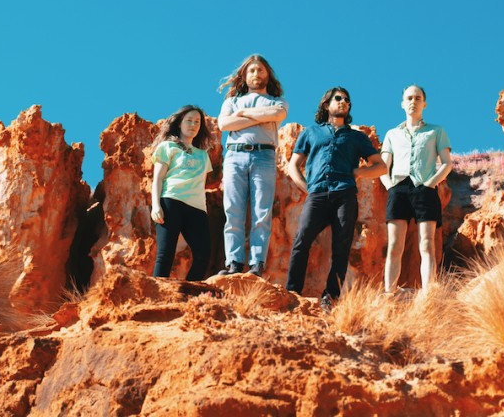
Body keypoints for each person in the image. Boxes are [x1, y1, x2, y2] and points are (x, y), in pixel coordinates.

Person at [286, 87, 386, 309]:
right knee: (301, 240)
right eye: (338, 98)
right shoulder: (311, 133)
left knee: (341, 247)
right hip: (317, 194)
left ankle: (330, 297)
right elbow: (293, 165)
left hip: (345, 195)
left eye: (347, 100)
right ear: (326, 104)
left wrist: (359, 172)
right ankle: (292, 292)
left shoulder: (357, 137)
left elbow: (381, 167)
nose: (343, 102)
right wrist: (307, 188)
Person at [216, 54, 288, 277]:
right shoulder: (231, 102)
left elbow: (277, 113)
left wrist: (243, 115)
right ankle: (234, 263)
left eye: (260, 70)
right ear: (245, 76)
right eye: (252, 70)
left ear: (268, 74)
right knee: (233, 211)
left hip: (264, 156)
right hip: (234, 156)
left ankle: (257, 264)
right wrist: (261, 117)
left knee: (261, 213)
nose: (256, 74)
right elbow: (224, 124)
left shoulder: (277, 101)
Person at [379, 85, 452, 293]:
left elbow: (447, 163)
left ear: (424, 104)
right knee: (395, 245)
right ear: (402, 104)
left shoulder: (436, 131)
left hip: (425, 190)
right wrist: (391, 187)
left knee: (427, 244)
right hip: (398, 190)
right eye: (409, 98)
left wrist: (430, 184)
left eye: (418, 98)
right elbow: (383, 167)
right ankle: (390, 292)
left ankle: (429, 292)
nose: (413, 101)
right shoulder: (392, 134)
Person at [149, 105, 213, 281]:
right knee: (165, 253)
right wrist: (156, 206)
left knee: (203, 254)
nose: (193, 125)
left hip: (197, 209)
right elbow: (158, 179)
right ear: (179, 123)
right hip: (171, 201)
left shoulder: (203, 155)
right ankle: (157, 292)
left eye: (197, 122)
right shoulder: (167, 147)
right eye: (189, 120)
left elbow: (201, 185)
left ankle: (187, 292)